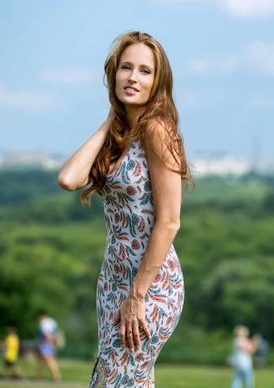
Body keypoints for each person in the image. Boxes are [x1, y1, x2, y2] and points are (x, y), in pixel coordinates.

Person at [57, 31, 192, 388]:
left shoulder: (157, 131)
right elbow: (69, 179)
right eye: (126, 67)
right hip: (112, 283)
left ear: (157, 83)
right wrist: (111, 119)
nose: (133, 77)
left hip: (150, 288)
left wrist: (137, 295)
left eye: (145, 71)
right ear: (113, 74)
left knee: (114, 383)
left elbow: (169, 222)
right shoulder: (120, 136)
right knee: (122, 381)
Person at [35, 310, 62, 382]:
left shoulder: (44, 323)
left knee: (50, 360)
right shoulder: (52, 321)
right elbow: (56, 334)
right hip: (50, 343)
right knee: (42, 361)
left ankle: (57, 378)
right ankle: (37, 376)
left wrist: (49, 343)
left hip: (46, 344)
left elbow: (47, 335)